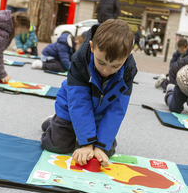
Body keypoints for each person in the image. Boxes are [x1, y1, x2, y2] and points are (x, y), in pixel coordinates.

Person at [40, 19, 137, 168]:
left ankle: (90, 136)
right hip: (71, 106)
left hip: (100, 112)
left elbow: (117, 110)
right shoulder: (80, 60)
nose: (106, 70)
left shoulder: (129, 71)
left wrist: (100, 147)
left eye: (115, 66)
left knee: (107, 151)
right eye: (101, 62)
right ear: (92, 47)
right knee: (57, 146)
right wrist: (86, 144)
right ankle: (52, 123)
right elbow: (79, 103)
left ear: (128, 55)